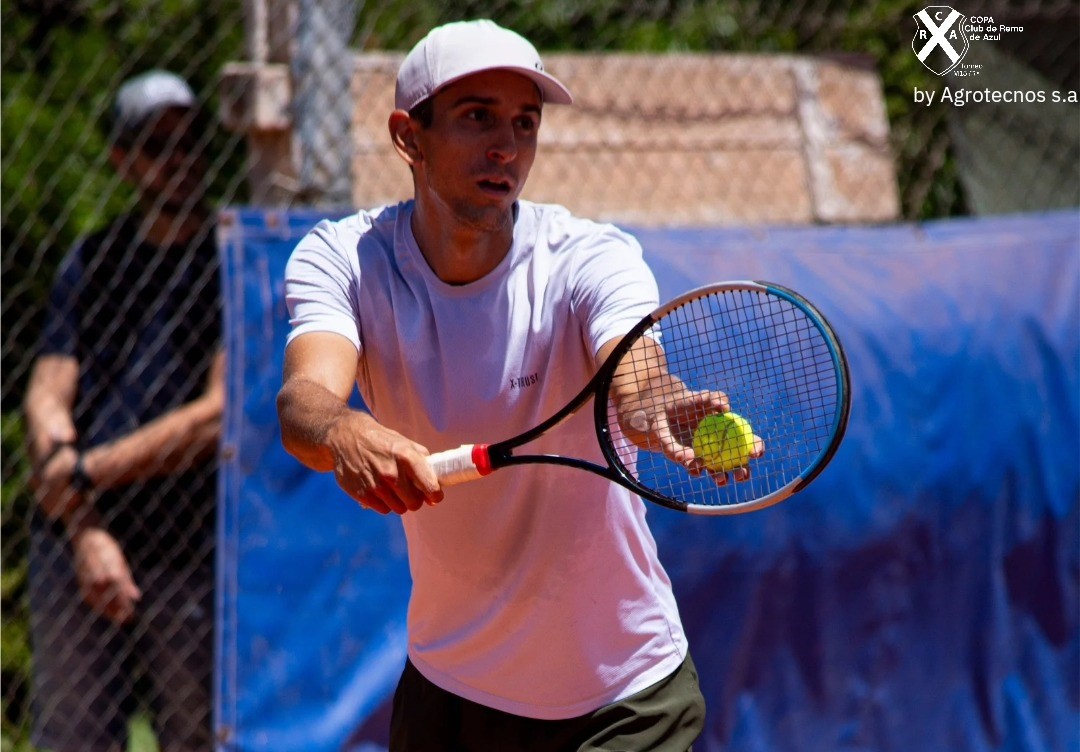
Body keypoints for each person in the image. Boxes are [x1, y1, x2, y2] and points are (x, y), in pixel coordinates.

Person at [278, 20, 754, 751]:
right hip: (452, 688)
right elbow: (303, 403)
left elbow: (633, 370)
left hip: (624, 700)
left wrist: (654, 404)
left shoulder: (588, 258)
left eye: (524, 124)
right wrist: (343, 429)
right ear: (409, 136)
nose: (507, 147)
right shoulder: (343, 259)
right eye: (477, 119)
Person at [23, 70, 222, 752]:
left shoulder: (231, 260)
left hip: (188, 543)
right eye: (157, 145)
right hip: (80, 538)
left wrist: (82, 475)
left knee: (199, 736)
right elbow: (48, 393)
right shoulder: (93, 258)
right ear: (123, 161)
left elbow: (215, 415)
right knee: (74, 739)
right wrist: (83, 525)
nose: (179, 159)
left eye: (190, 140)